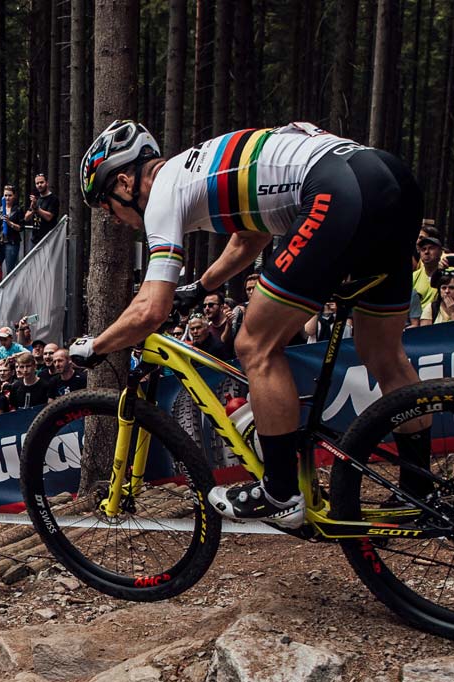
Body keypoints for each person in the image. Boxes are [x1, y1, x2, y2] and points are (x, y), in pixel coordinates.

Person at [73, 120, 424, 528]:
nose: (113, 219)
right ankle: (421, 488)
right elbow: (249, 238)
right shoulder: (200, 169)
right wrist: (201, 286)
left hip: (337, 192)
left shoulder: (165, 192)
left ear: (123, 183)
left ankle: (279, 493)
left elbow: (151, 308)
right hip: (388, 179)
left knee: (254, 345)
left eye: (104, 205)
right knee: (383, 354)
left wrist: (96, 346)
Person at [25, 173, 60, 244]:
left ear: (47, 183)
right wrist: (33, 207)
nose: (39, 185)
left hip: (49, 239)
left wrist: (37, 208)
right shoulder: (36, 199)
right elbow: (26, 218)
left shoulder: (53, 199)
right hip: (35, 239)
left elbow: (49, 217)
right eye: (37, 183)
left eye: (41, 182)